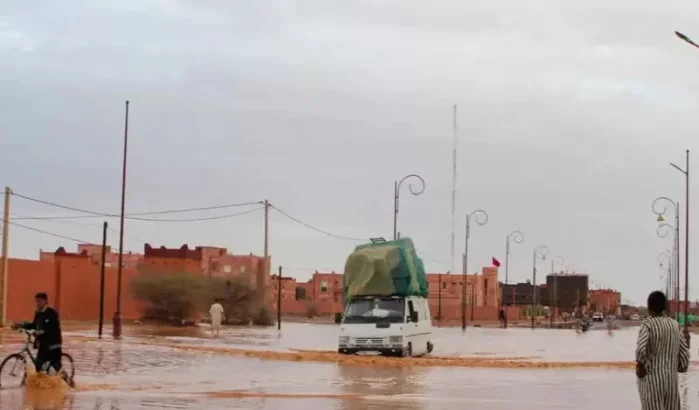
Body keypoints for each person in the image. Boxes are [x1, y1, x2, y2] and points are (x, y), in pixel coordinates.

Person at [636, 291, 689, 410]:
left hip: (651, 383)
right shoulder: (675, 325)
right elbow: (685, 353)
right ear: (665, 307)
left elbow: (640, 350)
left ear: (649, 308)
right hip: (671, 382)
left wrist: (640, 367)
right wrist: (681, 367)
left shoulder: (648, 324)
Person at [12, 293, 64, 375]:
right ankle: (41, 384)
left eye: (40, 301)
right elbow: (34, 325)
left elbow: (53, 328)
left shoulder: (52, 312)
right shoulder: (38, 312)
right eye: (36, 301)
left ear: (46, 301)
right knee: (38, 366)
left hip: (53, 343)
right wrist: (21, 325)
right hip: (42, 342)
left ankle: (64, 379)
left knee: (50, 367)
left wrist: (41, 332)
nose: (37, 303)